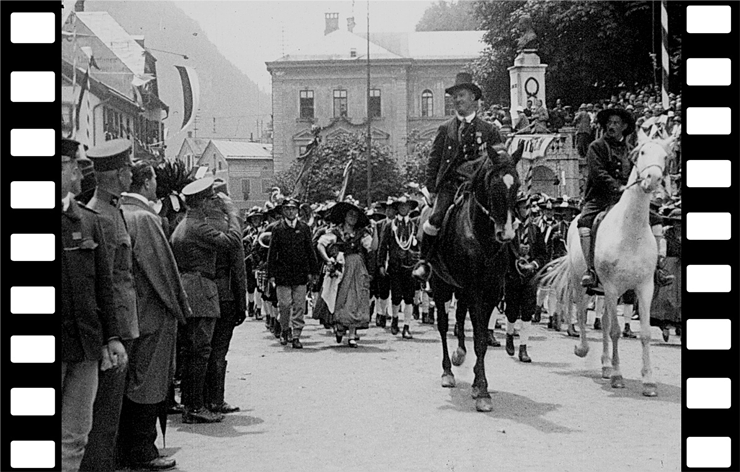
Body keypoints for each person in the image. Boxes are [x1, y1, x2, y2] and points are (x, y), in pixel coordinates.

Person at [118, 162, 190, 471]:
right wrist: (180, 308)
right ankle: (144, 450)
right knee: (149, 383)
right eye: (154, 179)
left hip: (130, 314)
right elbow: (163, 272)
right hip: (152, 312)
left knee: (131, 383)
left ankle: (130, 449)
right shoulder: (144, 218)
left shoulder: (120, 212)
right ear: (145, 183)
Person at [61, 138, 126, 472]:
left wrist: (111, 337)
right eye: (71, 164)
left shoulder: (88, 221)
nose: (77, 170)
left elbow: (104, 287)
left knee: (75, 438)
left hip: (85, 345)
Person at [80, 139, 140, 472]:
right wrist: (110, 335)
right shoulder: (100, 215)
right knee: (103, 415)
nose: (132, 173)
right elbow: (102, 282)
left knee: (111, 412)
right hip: (115, 327)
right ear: (118, 174)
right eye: (128, 168)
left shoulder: (111, 209)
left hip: (123, 322)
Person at [414, 72, 504, 281]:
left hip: (480, 186)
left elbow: (500, 159)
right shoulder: (445, 129)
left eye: (461, 95)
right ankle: (424, 261)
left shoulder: (489, 130)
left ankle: (515, 260)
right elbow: (433, 161)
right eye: (454, 96)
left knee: (506, 216)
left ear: (473, 97)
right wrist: (432, 189)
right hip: (451, 186)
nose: (457, 99)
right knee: (435, 219)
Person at [170, 176, 242, 424]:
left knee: (193, 351)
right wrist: (233, 214)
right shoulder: (197, 226)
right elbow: (231, 242)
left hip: (191, 289)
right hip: (201, 290)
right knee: (200, 351)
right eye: (212, 198)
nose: (215, 202)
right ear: (202, 202)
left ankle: (193, 404)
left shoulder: (183, 224)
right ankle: (195, 407)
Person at [577, 108, 636, 288]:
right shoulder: (596, 146)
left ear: (624, 126)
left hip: (627, 198)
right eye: (609, 123)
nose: (611, 126)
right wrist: (617, 186)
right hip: (600, 197)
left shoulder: (631, 150)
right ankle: (590, 269)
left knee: (655, 219)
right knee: (585, 223)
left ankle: (658, 267)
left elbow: (636, 172)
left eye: (616, 123)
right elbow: (597, 173)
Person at [204, 179, 247, 412]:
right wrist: (242, 303)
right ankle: (216, 400)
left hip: (198, 294)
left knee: (201, 349)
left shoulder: (191, 223)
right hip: (224, 294)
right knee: (219, 351)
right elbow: (238, 269)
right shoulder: (230, 228)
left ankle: (199, 400)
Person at [313, 200, 374, 347]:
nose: (353, 217)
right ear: (344, 216)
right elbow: (320, 244)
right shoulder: (335, 232)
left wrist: (376, 231)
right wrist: (328, 260)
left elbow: (372, 247)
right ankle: (339, 326)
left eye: (355, 215)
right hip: (341, 268)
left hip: (358, 268)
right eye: (350, 214)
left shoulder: (362, 234)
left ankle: (352, 334)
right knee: (338, 297)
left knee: (357, 297)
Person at [266, 197, 320, 349]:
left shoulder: (303, 228)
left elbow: (310, 250)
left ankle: (296, 335)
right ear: (283, 211)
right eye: (287, 209)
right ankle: (284, 329)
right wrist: (271, 274)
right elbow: (272, 252)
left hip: (300, 273)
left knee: (299, 306)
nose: (290, 211)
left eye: (293, 209)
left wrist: (313, 271)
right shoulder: (277, 228)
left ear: (297, 211)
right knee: (284, 305)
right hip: (282, 273)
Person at [503, 193, 547, 362]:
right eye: (523, 207)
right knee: (512, 311)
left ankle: (523, 347)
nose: (526, 211)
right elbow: (502, 252)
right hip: (513, 275)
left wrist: (533, 264)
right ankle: (509, 334)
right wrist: (516, 257)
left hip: (530, 277)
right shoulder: (510, 230)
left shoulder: (535, 230)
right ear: (516, 209)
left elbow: (543, 255)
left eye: (528, 207)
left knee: (527, 311)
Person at [378, 195, 420, 339]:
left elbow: (418, 246)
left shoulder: (413, 226)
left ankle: (407, 326)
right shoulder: (390, 226)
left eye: (406, 206)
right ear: (397, 208)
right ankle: (395, 319)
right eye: (401, 206)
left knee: (409, 297)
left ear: (410, 208)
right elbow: (383, 247)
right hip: (395, 266)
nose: (404, 208)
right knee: (396, 296)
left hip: (410, 267)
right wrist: (381, 264)